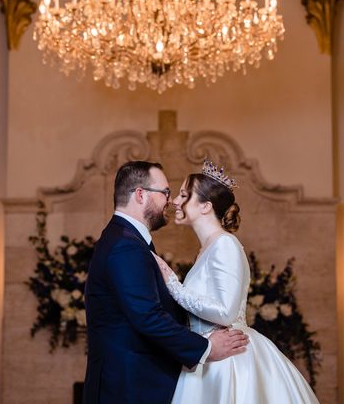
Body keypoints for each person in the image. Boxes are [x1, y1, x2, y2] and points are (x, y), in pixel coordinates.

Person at [152, 159, 321, 404]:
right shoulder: (207, 249)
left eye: (184, 195)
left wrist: (173, 284)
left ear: (205, 206)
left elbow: (225, 312)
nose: (175, 202)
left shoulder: (225, 244)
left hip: (229, 361)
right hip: (209, 356)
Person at [83, 161, 249, 404]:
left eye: (180, 194)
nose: (171, 202)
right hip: (127, 386)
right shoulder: (125, 245)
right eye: (166, 193)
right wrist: (206, 348)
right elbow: (148, 317)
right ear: (140, 195)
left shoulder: (127, 240)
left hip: (139, 382)